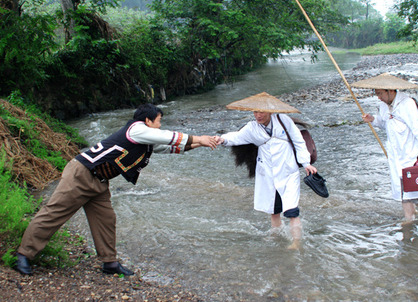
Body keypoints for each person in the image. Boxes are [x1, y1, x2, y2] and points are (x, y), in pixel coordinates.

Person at [14, 103, 218, 276]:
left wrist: (200, 144)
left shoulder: (145, 139)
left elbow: (171, 147)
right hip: (82, 174)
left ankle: (109, 262)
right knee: (55, 212)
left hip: (99, 181)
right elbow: (168, 136)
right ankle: (24, 254)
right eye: (158, 120)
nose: (160, 124)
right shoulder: (136, 129)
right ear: (148, 121)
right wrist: (199, 137)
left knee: (106, 219)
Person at [216, 92, 317, 250]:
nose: (258, 115)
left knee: (292, 210)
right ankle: (276, 238)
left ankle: (296, 243)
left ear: (270, 111)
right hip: (267, 174)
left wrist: (306, 163)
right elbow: (236, 137)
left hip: (287, 172)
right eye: (255, 112)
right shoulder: (252, 128)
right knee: (273, 210)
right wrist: (222, 139)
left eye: (261, 111)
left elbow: (298, 141)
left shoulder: (283, 121)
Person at [353, 73, 418, 228]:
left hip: (410, 152)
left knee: (414, 186)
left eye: (379, 93)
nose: (378, 97)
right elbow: (386, 124)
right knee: (402, 186)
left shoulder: (407, 104)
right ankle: (409, 217)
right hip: (396, 153)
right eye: (376, 94)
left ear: (390, 91)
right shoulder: (384, 106)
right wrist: (373, 120)